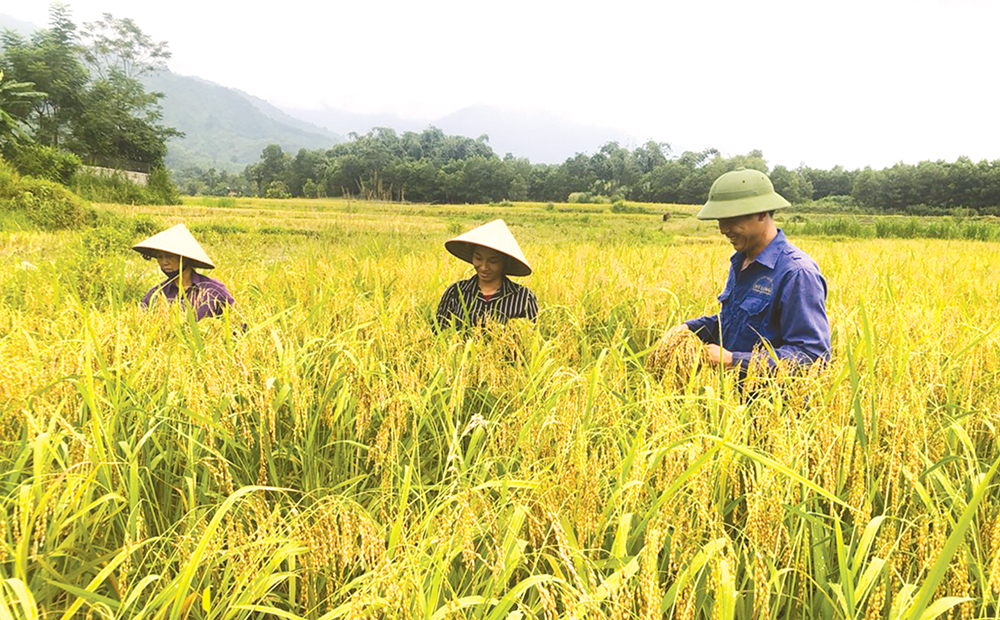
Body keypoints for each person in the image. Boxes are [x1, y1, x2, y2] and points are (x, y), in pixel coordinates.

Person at [673, 168, 830, 371]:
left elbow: (812, 355)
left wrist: (734, 360)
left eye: (731, 219)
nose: (723, 229)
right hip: (733, 397)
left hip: (775, 401)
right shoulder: (741, 261)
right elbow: (736, 322)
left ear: (762, 213)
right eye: (720, 220)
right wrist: (690, 329)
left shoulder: (797, 273)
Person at [435, 219, 538, 330]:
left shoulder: (523, 297)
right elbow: (438, 330)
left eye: (493, 261)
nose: (484, 267)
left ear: (504, 262)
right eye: (478, 258)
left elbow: (532, 336)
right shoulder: (456, 292)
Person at [132, 223, 235, 320]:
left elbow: (237, 322)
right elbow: (142, 323)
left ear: (185, 258)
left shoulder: (213, 290)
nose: (164, 262)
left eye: (169, 257)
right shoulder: (156, 294)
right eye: (160, 257)